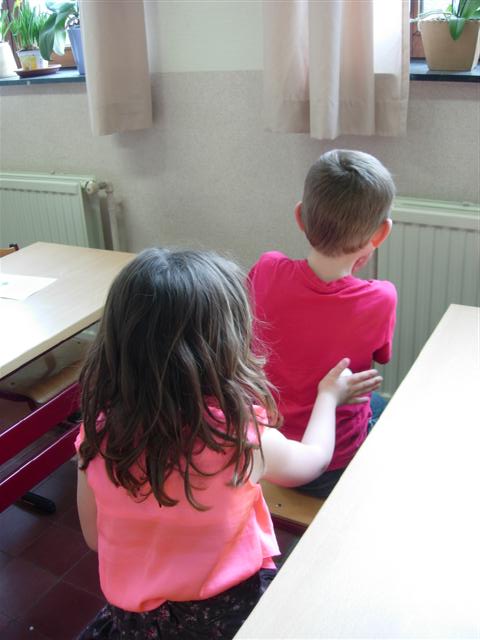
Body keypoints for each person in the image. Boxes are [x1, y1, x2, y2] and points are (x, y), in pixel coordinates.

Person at [75, 248, 382, 640]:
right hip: (229, 619)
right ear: (225, 345)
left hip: (135, 624)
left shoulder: (96, 435)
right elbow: (314, 461)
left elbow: (94, 537)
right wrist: (328, 396)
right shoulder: (240, 437)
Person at [249, 149, 397, 499]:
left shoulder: (266, 269)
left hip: (267, 448)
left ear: (300, 217)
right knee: (387, 409)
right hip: (331, 461)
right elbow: (380, 357)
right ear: (380, 234)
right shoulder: (381, 298)